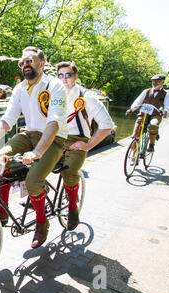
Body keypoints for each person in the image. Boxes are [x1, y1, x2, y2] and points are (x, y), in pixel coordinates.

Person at [0, 46, 68, 249]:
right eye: (22, 62)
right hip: (29, 134)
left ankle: (42, 223)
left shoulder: (55, 86)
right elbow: (8, 120)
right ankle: (3, 212)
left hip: (54, 138)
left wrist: (37, 152)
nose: (25, 65)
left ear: (42, 64)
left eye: (30, 61)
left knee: (33, 181)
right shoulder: (18, 89)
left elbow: (54, 122)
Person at [56, 61, 115, 230]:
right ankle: (37, 197)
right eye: (60, 75)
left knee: (69, 172)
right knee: (36, 163)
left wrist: (88, 145)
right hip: (57, 138)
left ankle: (73, 209)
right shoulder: (54, 96)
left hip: (77, 139)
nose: (64, 79)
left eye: (68, 75)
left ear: (75, 77)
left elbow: (107, 124)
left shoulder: (86, 97)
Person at [125, 74, 169, 152]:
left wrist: (165, 111)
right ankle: (134, 153)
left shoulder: (167, 94)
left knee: (153, 125)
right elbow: (138, 101)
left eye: (157, 81)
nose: (155, 83)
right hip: (143, 114)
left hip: (156, 115)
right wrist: (131, 109)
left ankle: (151, 145)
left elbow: (168, 104)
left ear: (162, 82)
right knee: (135, 133)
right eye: (153, 81)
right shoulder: (146, 91)